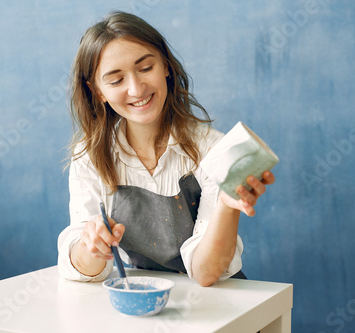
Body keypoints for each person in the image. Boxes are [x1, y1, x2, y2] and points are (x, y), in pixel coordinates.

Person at [57, 11, 275, 287]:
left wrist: (227, 206)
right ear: (97, 91)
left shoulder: (211, 149)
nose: (136, 89)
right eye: (116, 80)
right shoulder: (89, 158)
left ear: (166, 67)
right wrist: (91, 247)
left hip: (216, 300)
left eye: (146, 68)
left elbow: (207, 273)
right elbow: (82, 269)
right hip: (141, 298)